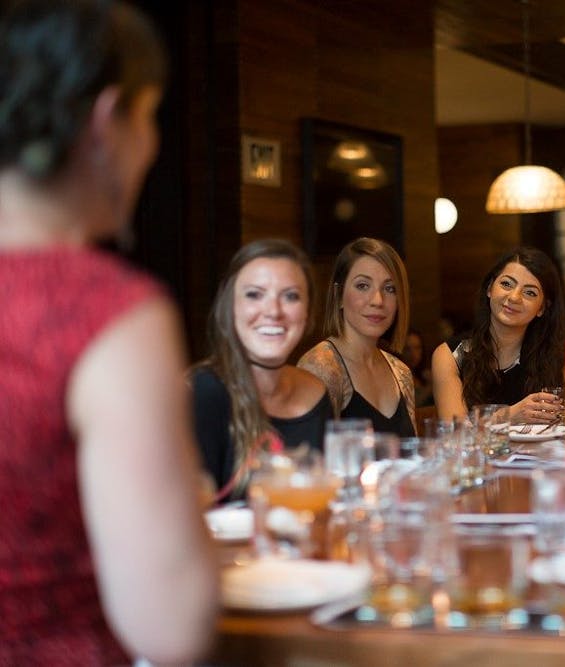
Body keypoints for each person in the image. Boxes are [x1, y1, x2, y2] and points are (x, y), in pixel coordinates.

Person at [0, 2, 217, 664]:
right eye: (149, 118)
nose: (150, 145)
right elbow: (171, 625)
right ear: (105, 122)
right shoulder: (106, 310)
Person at [191, 239, 333, 501]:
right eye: (255, 294)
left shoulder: (317, 393)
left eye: (290, 296)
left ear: (308, 313)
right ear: (230, 307)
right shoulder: (203, 392)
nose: (273, 311)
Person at [431, 246, 565, 423]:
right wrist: (510, 415)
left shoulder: (558, 358)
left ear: (541, 308)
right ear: (490, 289)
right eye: (506, 284)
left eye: (529, 292)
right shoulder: (450, 356)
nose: (514, 297)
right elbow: (455, 432)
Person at [299, 237, 416, 436]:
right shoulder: (321, 367)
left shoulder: (401, 372)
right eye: (362, 286)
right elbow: (310, 462)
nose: (378, 300)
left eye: (389, 289)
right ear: (339, 296)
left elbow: (414, 458)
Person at [401, 328, 434, 407]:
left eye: (417, 348)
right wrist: (432, 385)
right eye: (407, 349)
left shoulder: (424, 375)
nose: (413, 353)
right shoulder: (398, 377)